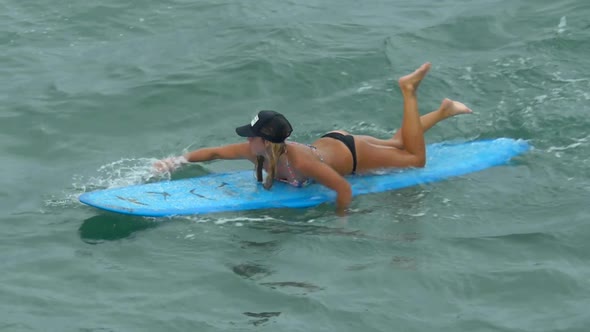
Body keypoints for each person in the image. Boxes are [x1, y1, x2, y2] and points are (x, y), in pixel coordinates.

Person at [155, 63, 472, 215]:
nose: (245, 140)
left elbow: (343, 188)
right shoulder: (255, 151)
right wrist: (175, 161)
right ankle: (443, 111)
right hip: (335, 142)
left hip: (353, 155)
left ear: (265, 142)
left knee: (414, 159)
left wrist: (342, 221)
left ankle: (409, 90)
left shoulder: (299, 160)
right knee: (399, 144)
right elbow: (212, 153)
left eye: (251, 135)